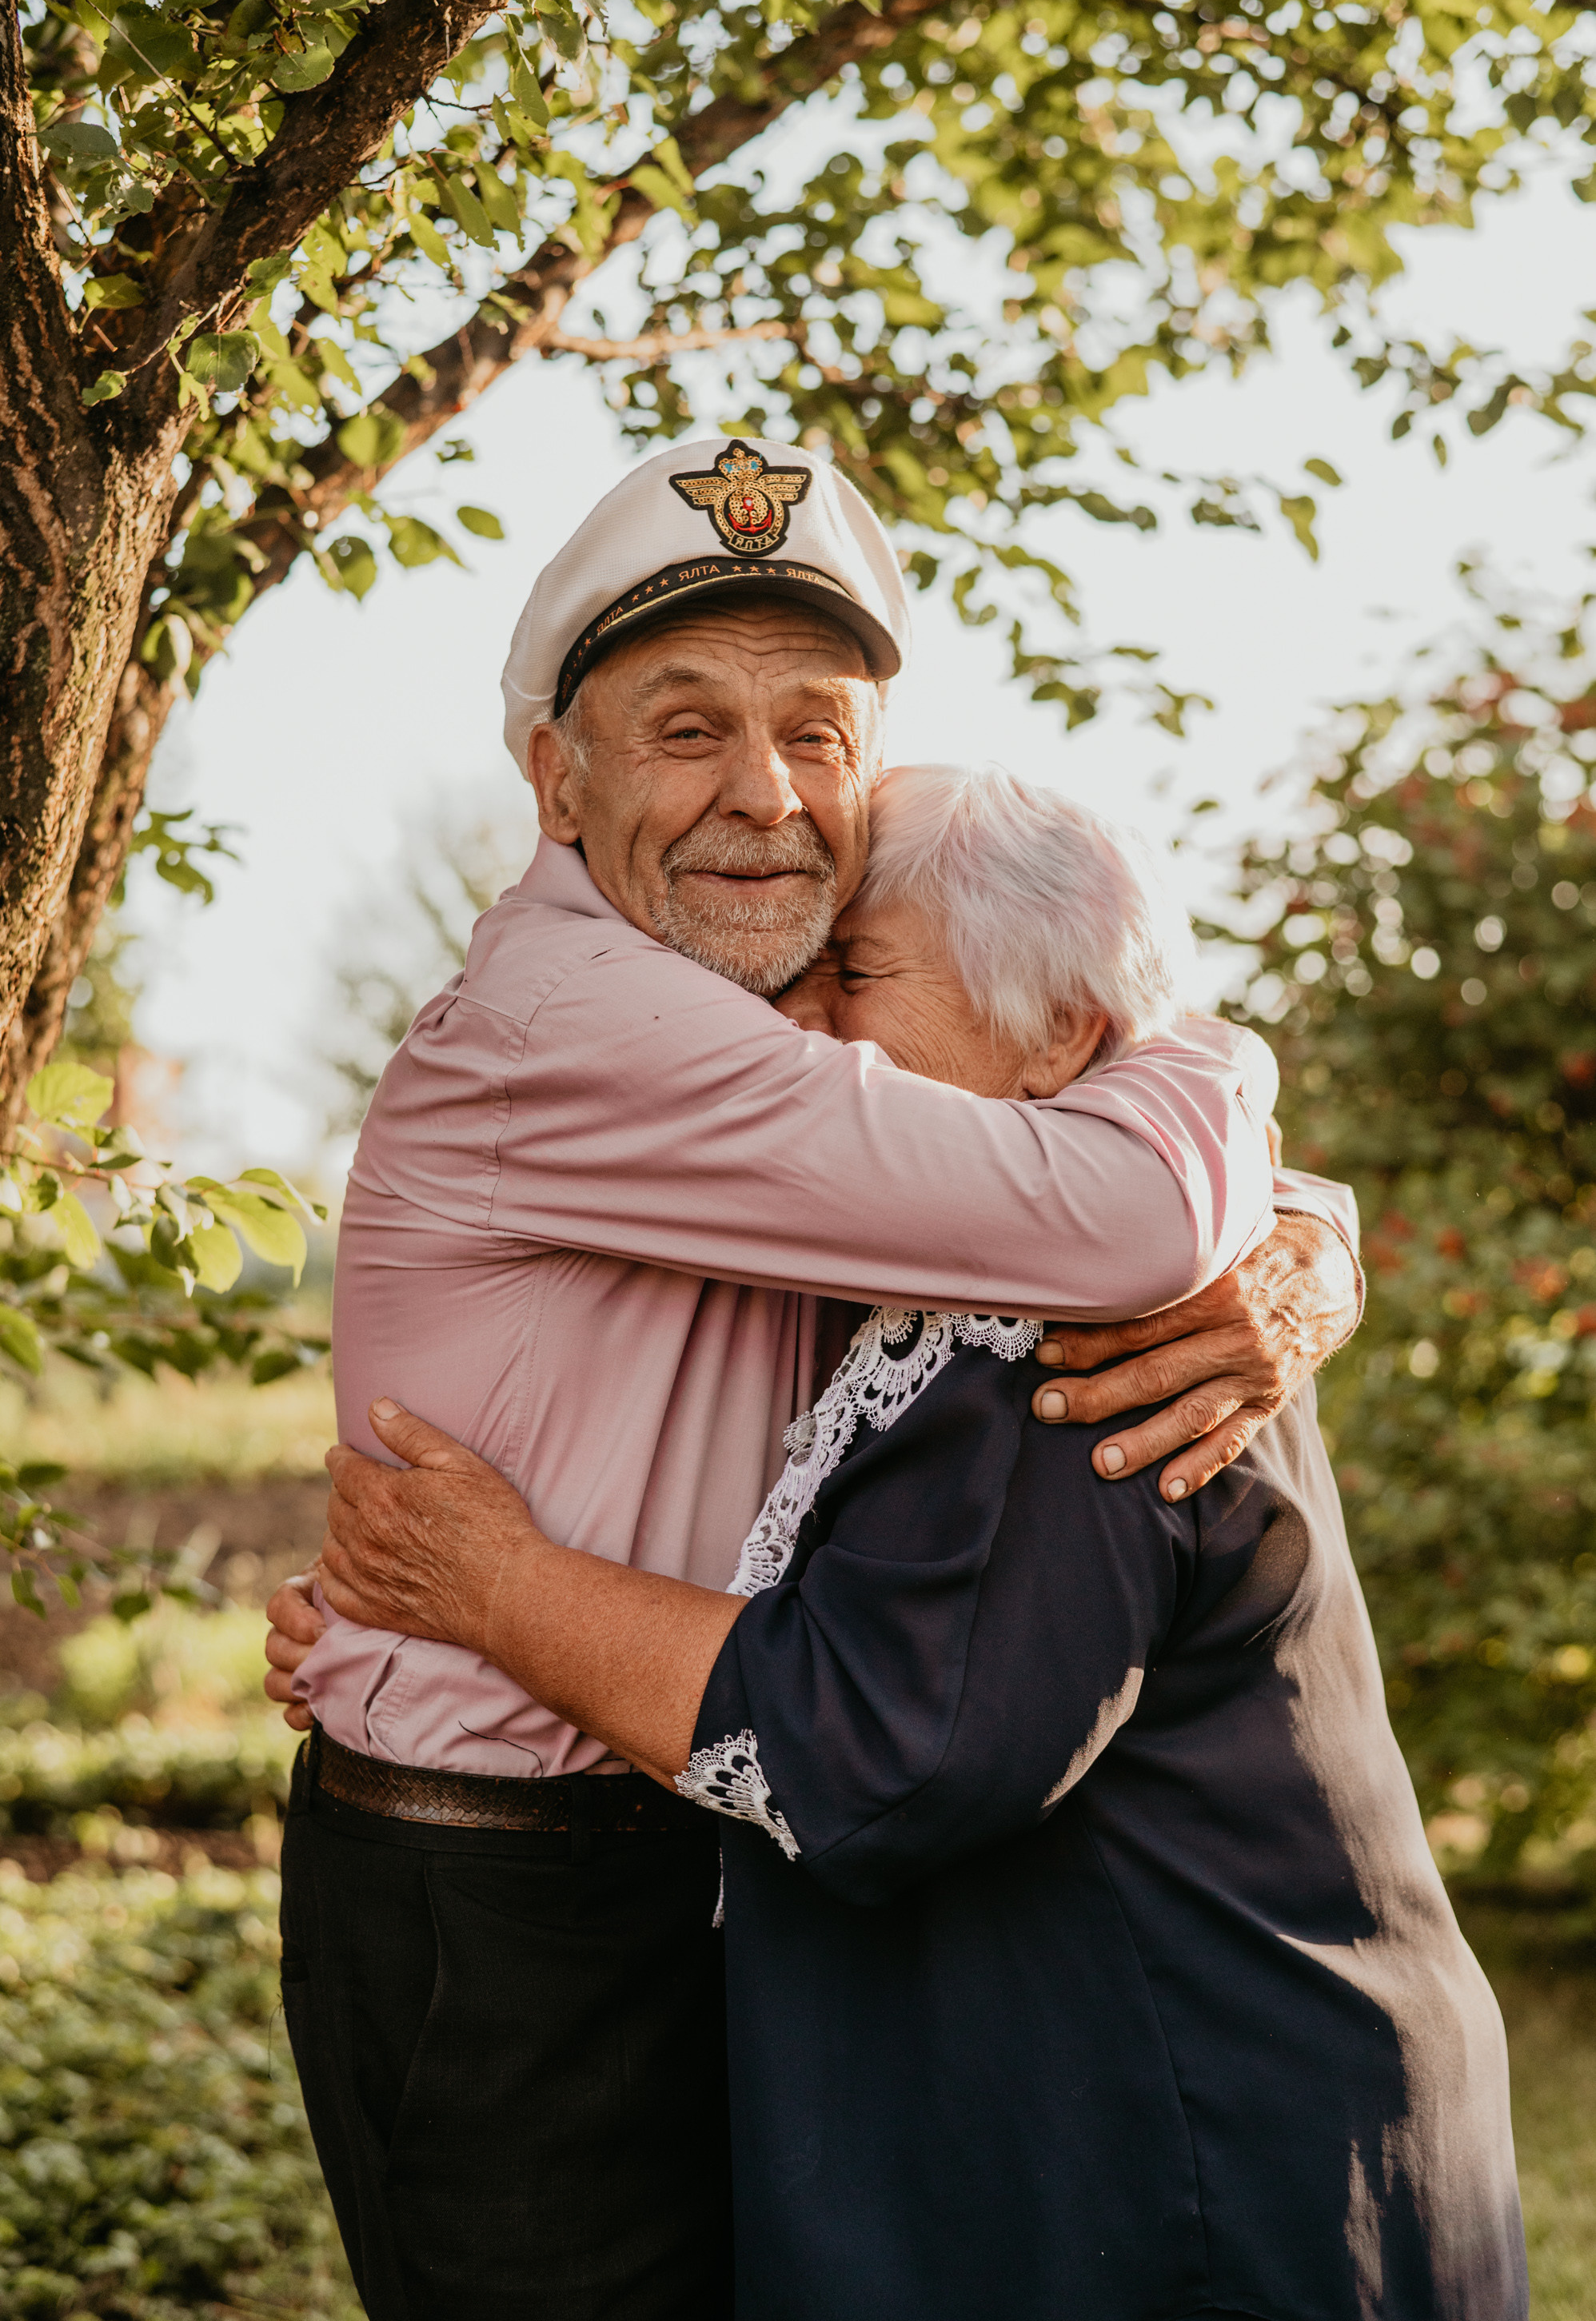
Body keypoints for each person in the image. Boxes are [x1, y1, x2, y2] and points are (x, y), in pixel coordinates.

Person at [269, 436, 1363, 2321]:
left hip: (698, 1843)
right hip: (509, 1898)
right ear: (556, 779)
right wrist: (1218, 1069)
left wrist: (1301, 1237)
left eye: (816, 733)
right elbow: (1100, 1206)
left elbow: (1027, 1113)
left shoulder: (783, 1005)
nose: (760, 796)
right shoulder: (578, 1025)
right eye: (683, 728)